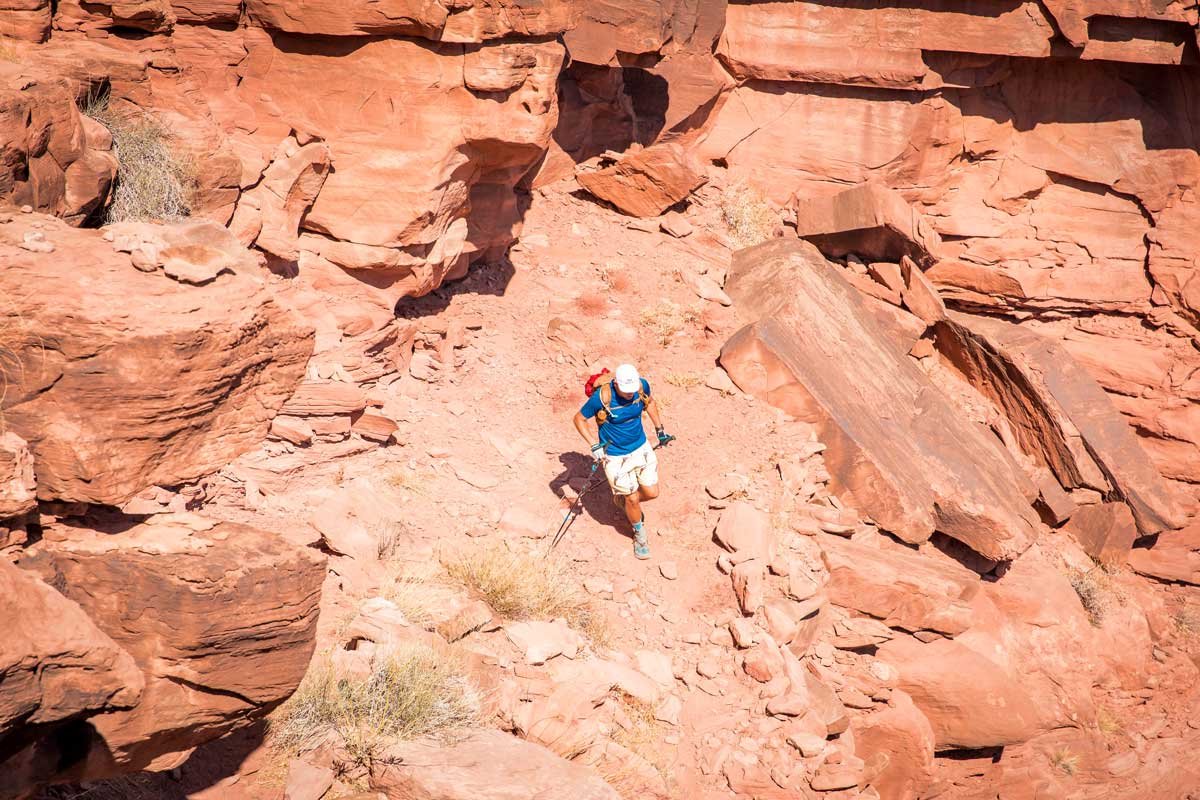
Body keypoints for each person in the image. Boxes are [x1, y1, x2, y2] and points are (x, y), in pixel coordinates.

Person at [573, 363, 674, 559]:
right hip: (615, 455)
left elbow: (650, 403)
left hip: (641, 448)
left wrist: (660, 430)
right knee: (633, 498)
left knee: (652, 492)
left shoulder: (641, 387)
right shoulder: (601, 398)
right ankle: (639, 534)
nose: (630, 394)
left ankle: (624, 502)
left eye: (632, 390)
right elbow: (578, 419)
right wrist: (594, 445)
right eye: (626, 391)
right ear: (616, 384)